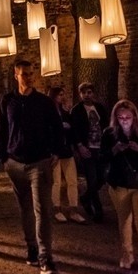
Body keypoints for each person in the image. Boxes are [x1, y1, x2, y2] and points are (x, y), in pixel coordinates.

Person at [0, 60, 64, 274]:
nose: (28, 77)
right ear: (16, 75)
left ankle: (46, 257)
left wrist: (55, 151)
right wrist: (4, 157)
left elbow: (57, 127)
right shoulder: (8, 101)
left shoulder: (44, 102)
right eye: (24, 74)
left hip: (39, 162)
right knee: (25, 209)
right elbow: (3, 128)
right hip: (15, 163)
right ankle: (32, 248)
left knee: (43, 210)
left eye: (30, 73)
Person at [101, 100, 138, 274]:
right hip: (119, 184)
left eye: (128, 117)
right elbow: (102, 158)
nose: (124, 120)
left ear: (134, 117)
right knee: (124, 221)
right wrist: (114, 150)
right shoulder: (109, 134)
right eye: (120, 117)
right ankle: (127, 254)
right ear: (115, 118)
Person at [71, 82, 109, 222]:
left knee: (101, 178)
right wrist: (80, 146)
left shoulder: (99, 108)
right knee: (91, 179)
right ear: (80, 94)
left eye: (89, 92)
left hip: (100, 148)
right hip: (87, 148)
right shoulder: (77, 110)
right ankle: (98, 211)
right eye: (84, 93)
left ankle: (86, 198)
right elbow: (74, 130)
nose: (87, 95)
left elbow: (106, 125)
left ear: (93, 93)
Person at [49, 86, 87, 224]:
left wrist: (76, 145)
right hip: (55, 152)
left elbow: (72, 130)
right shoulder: (48, 113)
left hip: (66, 151)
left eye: (62, 95)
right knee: (56, 182)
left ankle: (73, 209)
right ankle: (56, 209)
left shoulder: (65, 113)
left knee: (72, 181)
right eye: (59, 95)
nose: (62, 97)